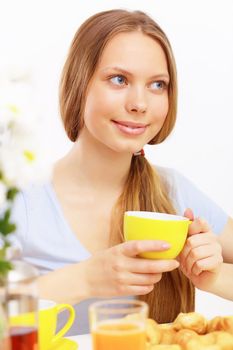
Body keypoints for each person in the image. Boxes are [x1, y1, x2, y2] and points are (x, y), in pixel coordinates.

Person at [9, 9, 233, 334]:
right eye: (119, 79)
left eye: (158, 85)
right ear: (79, 82)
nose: (139, 103)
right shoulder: (19, 199)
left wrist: (215, 276)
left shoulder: (173, 192)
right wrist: (84, 279)